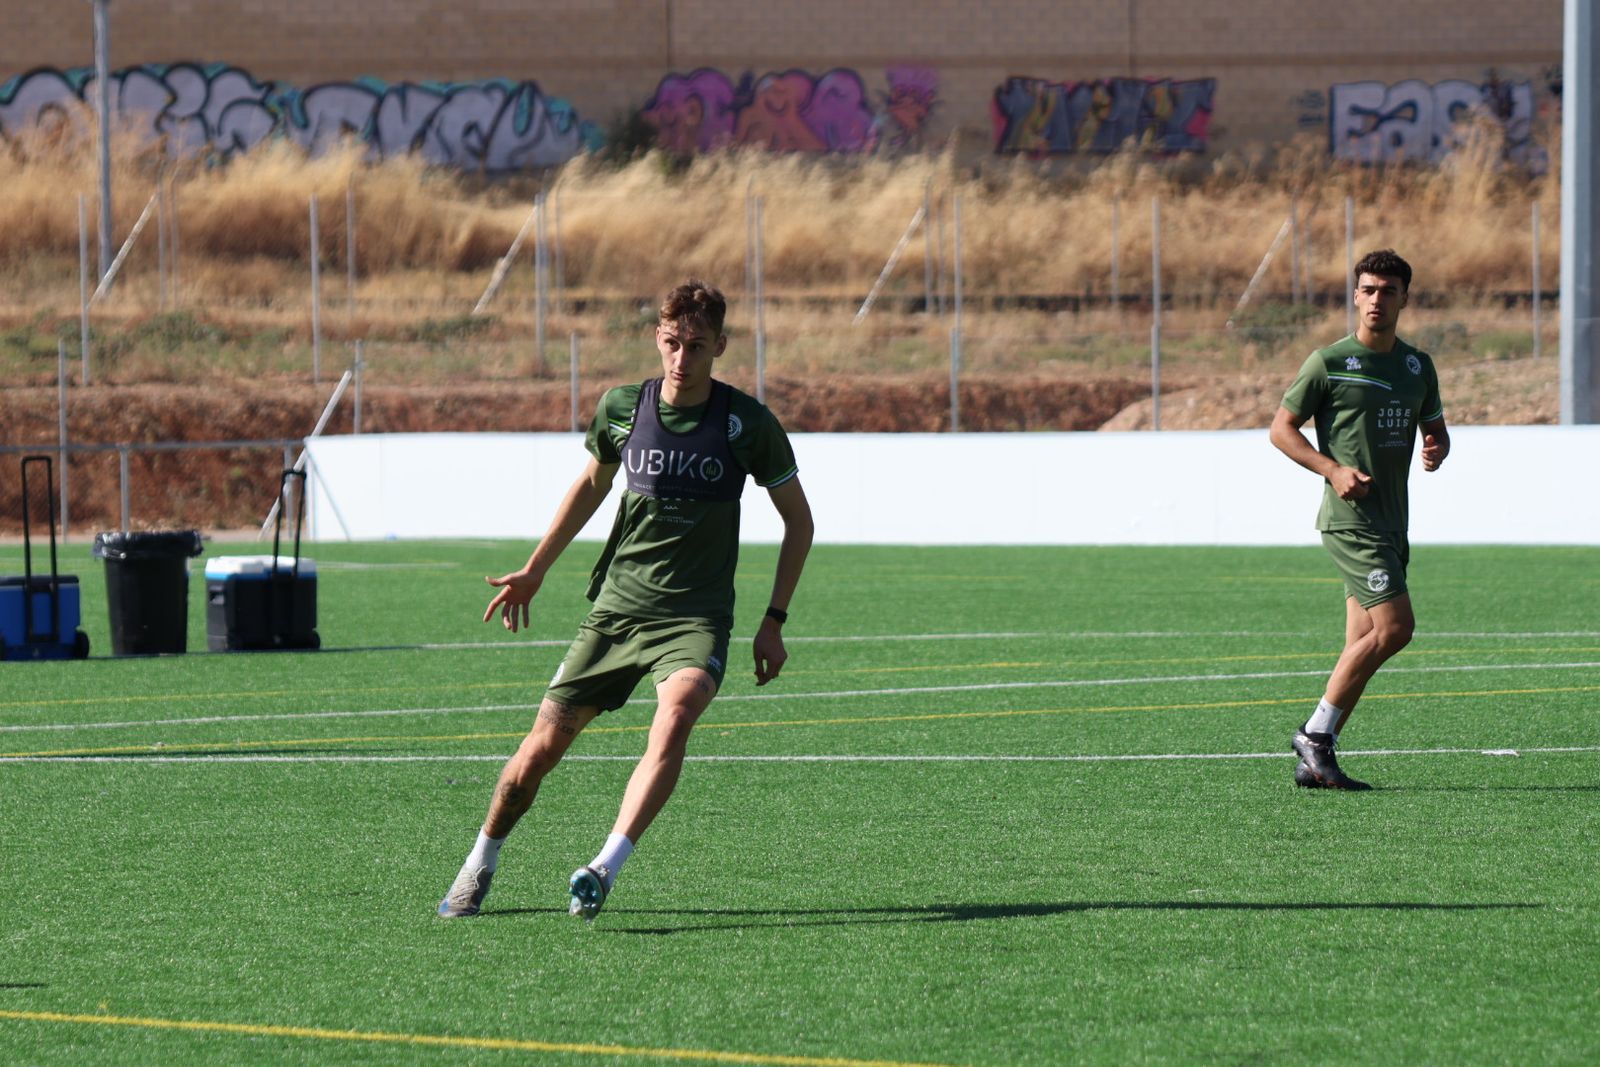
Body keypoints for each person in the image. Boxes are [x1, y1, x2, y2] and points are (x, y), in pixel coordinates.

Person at [438, 280, 813, 920]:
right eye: (672, 342)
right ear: (657, 338)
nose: (682, 358)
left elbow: (798, 522)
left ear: (720, 346)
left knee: (677, 715)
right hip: (615, 613)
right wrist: (535, 569)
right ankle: (479, 862)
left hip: (694, 620)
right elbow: (590, 486)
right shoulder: (621, 408)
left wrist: (773, 621)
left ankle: (602, 869)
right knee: (538, 754)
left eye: (697, 345)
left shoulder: (747, 424)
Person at [1269, 249, 1450, 790]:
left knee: (1363, 642)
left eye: (1388, 291)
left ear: (1404, 299)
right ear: (1355, 296)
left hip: (1394, 522)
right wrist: (1332, 469)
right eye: (1368, 290)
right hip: (1351, 522)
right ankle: (1314, 735)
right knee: (1396, 629)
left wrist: (1437, 447)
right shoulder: (1328, 362)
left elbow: (1435, 429)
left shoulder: (1417, 366)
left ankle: (1316, 759)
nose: (1377, 300)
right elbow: (1281, 429)